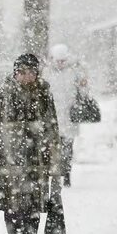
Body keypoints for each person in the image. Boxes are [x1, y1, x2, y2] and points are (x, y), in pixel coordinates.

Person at [0, 53, 63, 234]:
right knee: (11, 208)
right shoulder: (3, 93)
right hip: (9, 160)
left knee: (33, 209)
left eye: (31, 72)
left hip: (36, 159)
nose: (27, 77)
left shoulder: (44, 92)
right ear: (15, 72)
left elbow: (52, 126)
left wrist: (54, 160)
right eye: (23, 72)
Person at [42, 44, 88, 187]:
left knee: (67, 146)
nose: (60, 64)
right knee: (53, 146)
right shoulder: (47, 72)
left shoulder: (74, 71)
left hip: (69, 115)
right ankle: (54, 172)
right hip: (52, 115)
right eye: (57, 60)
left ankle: (67, 173)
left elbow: (84, 91)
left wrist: (83, 85)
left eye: (62, 60)